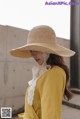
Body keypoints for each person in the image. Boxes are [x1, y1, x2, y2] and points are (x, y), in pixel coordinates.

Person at [10, 25, 75, 119]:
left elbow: (50, 115)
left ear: (49, 50)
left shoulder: (54, 73)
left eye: (36, 48)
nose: (32, 54)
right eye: (31, 50)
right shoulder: (43, 72)